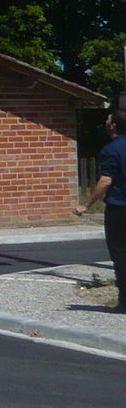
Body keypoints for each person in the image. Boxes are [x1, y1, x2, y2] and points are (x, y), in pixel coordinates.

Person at [74, 108, 126, 311]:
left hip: (119, 208)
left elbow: (106, 180)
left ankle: (125, 300)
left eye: (108, 119)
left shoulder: (110, 150)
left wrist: (86, 205)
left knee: (121, 254)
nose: (106, 122)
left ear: (113, 126)